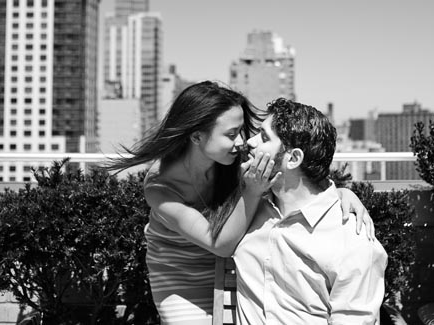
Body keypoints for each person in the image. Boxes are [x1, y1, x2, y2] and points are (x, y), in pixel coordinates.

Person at [108, 81, 373, 324]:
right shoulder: (160, 186)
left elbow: (299, 178)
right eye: (231, 134)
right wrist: (251, 191)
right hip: (180, 273)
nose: (242, 141)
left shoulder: (233, 158)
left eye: (241, 131)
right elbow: (220, 245)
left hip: (234, 265)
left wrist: (339, 194)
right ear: (197, 136)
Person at [233, 97, 388, 325]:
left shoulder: (352, 241)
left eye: (265, 138)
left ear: (294, 159)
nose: (251, 142)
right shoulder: (249, 206)